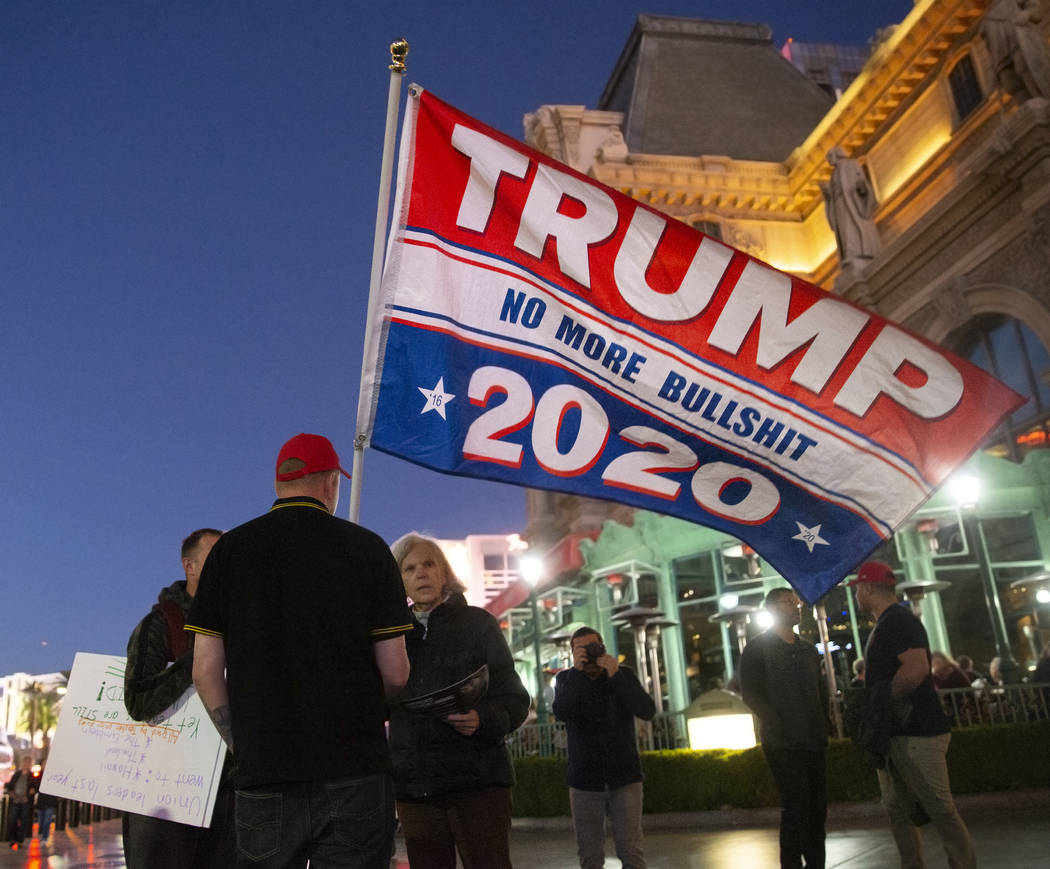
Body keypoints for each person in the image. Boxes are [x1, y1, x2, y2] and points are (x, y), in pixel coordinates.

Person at [187, 433, 412, 868]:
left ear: (280, 484)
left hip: (264, 771)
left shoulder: (228, 554)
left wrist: (243, 742)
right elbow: (397, 673)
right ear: (331, 482)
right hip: (354, 768)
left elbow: (204, 671)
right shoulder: (367, 549)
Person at [388, 533, 529, 869]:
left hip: (476, 780)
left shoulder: (478, 624)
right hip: (416, 786)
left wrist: (484, 717)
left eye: (428, 564)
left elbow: (515, 699)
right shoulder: (391, 636)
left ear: (444, 573)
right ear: (399, 581)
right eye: (409, 568)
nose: (421, 573)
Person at [849, 561, 976, 869]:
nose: (855, 597)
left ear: (866, 588)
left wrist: (882, 701)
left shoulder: (897, 621)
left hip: (916, 732)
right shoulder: (890, 621)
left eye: (856, 590)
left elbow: (917, 668)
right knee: (897, 810)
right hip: (898, 733)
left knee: (940, 809)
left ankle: (963, 864)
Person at [122, 527, 236, 869]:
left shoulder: (242, 624)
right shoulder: (159, 624)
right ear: (189, 566)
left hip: (227, 794)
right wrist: (199, 661)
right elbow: (138, 701)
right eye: (216, 558)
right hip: (165, 798)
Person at [552, 626, 656, 869]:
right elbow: (562, 712)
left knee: (631, 850)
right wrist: (577, 673)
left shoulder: (623, 675)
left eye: (594, 647)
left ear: (604, 649)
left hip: (625, 777)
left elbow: (647, 710)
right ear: (573, 653)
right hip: (585, 780)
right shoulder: (566, 679)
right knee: (590, 856)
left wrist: (616, 675)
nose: (590, 654)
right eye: (583, 649)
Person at [740, 587, 828, 869]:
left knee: (817, 813)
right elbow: (751, 694)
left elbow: (820, 691)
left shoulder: (807, 649)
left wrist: (822, 724)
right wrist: (776, 724)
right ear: (772, 609)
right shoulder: (757, 649)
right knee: (796, 810)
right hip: (783, 744)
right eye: (788, 602)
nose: (796, 606)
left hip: (813, 740)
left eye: (797, 602)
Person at [820, 146, 881, 267]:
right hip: (839, 205)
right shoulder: (833, 175)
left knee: (850, 227)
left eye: (830, 156)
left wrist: (861, 188)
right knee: (843, 229)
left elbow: (860, 181)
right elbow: (833, 193)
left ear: (838, 154)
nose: (829, 160)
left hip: (851, 203)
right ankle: (849, 253)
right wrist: (828, 194)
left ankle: (856, 252)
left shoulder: (850, 164)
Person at [982, 0, 1050, 101]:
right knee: (1009, 82)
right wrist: (994, 70)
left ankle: (1042, 101)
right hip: (1000, 54)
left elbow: (1036, 11)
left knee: (1023, 65)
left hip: (1020, 41)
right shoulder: (987, 17)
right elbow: (989, 46)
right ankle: (1029, 111)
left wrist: (1027, 14)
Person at [5, 755, 38, 850]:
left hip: (25, 801)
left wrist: (30, 794)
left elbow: (35, 787)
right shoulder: (17, 774)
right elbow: (10, 786)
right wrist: (11, 793)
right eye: (25, 762)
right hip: (15, 800)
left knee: (24, 821)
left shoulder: (32, 776)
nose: (26, 764)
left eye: (29, 762)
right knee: (12, 820)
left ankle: (20, 840)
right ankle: (12, 839)